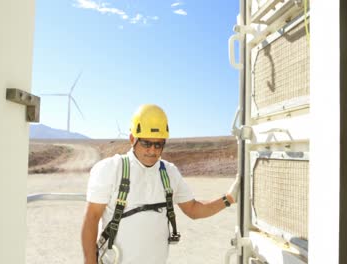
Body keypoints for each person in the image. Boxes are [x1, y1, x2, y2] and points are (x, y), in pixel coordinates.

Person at [81, 104, 239, 264]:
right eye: (146, 143)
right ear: (132, 139)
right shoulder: (111, 169)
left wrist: (229, 198)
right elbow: (91, 218)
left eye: (158, 144)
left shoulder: (169, 172)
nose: (152, 150)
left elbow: (194, 210)